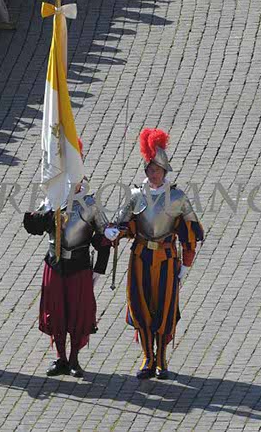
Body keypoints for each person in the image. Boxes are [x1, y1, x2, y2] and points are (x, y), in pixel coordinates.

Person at [104, 128, 204, 380]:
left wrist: (186, 265)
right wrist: (114, 233)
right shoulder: (136, 195)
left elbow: (191, 233)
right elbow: (122, 223)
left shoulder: (178, 198)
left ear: (164, 171)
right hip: (140, 259)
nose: (154, 174)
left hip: (167, 259)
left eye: (157, 170)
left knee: (164, 309)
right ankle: (148, 357)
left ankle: (162, 359)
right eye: (150, 170)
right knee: (141, 307)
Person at [23, 161, 111, 377]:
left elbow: (103, 238)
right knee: (56, 313)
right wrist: (42, 215)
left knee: (78, 315)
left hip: (79, 266)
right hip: (55, 264)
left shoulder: (90, 204)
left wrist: (98, 270)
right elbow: (33, 227)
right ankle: (61, 357)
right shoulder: (52, 201)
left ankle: (74, 359)